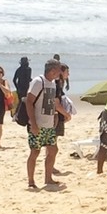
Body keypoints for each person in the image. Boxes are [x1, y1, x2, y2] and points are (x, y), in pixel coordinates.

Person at [25, 58, 64, 190]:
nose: (60, 72)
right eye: (58, 70)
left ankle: (48, 178)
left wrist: (55, 115)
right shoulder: (38, 81)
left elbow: (51, 102)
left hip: (49, 125)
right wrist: (33, 124)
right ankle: (31, 181)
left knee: (53, 150)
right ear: (52, 70)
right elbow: (29, 102)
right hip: (37, 124)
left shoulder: (52, 83)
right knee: (35, 152)